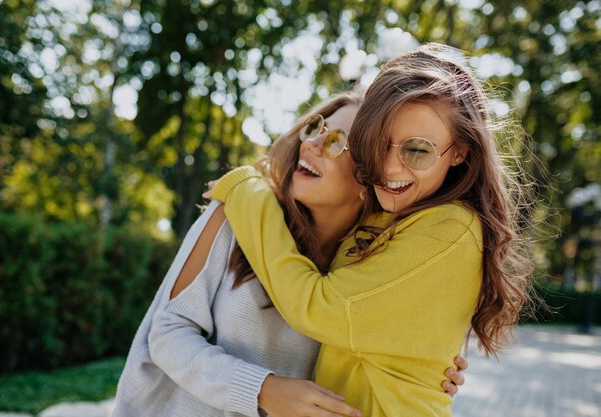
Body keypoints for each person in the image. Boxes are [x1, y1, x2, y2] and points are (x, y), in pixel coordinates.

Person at [209, 43, 535, 417]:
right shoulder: (387, 215)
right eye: (379, 143)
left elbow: (316, 306)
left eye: (418, 150)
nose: (390, 169)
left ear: (460, 152)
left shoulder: (451, 228)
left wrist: (248, 192)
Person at [112, 90, 468, 417]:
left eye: (336, 143)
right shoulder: (235, 215)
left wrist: (427, 371)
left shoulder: (371, 270)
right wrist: (261, 390)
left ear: (369, 179)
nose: (312, 144)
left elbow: (388, 361)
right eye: (316, 128)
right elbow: (167, 331)